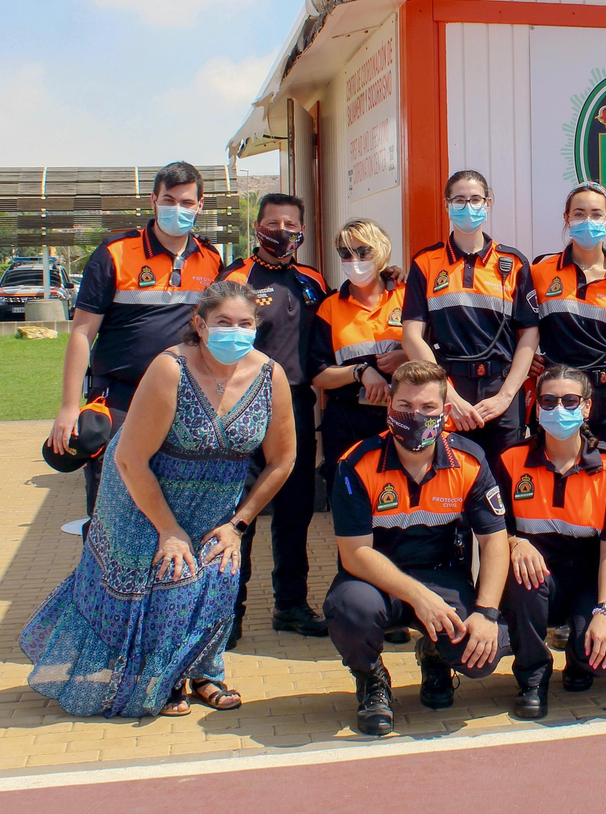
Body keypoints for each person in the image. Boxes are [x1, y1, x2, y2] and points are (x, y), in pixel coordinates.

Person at [21, 281, 296, 716]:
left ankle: (206, 672)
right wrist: (168, 530)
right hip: (142, 491)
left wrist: (238, 524)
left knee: (217, 581)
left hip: (216, 503)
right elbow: (131, 458)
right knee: (159, 582)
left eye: (245, 324)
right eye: (223, 322)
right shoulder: (171, 369)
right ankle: (159, 676)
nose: (235, 332)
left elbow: (282, 461)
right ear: (199, 325)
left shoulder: (270, 376)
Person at [323, 361, 511, 737]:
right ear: (388, 405)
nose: (415, 415)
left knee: (483, 655)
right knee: (349, 611)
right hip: (373, 581)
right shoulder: (355, 464)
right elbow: (354, 554)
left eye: (427, 408)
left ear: (444, 412)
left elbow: (494, 541)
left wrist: (487, 613)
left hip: (442, 574)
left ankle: (436, 655)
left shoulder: (469, 460)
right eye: (405, 406)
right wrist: (419, 597)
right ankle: (371, 679)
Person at [50, 162, 226, 513]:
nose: (178, 208)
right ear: (153, 200)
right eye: (169, 199)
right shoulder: (114, 254)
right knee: (110, 504)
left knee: (174, 501)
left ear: (200, 205)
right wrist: (69, 407)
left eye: (187, 202)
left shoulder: (211, 259)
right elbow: (83, 332)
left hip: (184, 398)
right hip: (119, 397)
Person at [219, 193, 331, 646]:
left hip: (297, 407)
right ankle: (228, 611)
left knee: (295, 509)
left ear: (301, 231)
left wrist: (389, 276)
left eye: (290, 224)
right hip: (244, 405)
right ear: (257, 226)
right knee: (240, 511)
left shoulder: (312, 280)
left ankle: (290, 604)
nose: (281, 231)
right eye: (272, 223)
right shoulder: (236, 278)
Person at [496, 365, 606, 719]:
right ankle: (532, 679)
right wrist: (515, 542)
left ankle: (579, 656)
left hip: (591, 585)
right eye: (549, 400)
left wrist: (605, 612)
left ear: (587, 407)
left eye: (570, 400)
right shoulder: (511, 461)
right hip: (539, 584)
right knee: (518, 576)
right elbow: (492, 530)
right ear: (537, 406)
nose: (559, 408)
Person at [402, 170, 539, 467]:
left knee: (505, 480)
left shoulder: (513, 263)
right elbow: (412, 336)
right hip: (449, 384)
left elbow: (529, 335)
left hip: (501, 388)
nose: (468, 207)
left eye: (475, 199)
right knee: (451, 480)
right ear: (446, 205)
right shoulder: (425, 263)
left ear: (488, 203)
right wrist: (448, 393)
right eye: (459, 200)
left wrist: (505, 397)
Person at [529, 182, 606, 459]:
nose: (588, 221)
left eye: (596, 214)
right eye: (579, 213)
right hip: (556, 400)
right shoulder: (539, 271)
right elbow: (519, 327)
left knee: (605, 483)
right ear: (567, 218)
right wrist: (522, 358)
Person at [310, 219, 407, 489]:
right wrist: (360, 372)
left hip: (402, 418)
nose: (354, 259)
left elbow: (435, 353)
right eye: (345, 252)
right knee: (350, 506)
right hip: (347, 422)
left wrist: (407, 358)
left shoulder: (406, 294)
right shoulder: (329, 307)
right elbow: (318, 374)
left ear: (381, 251)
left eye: (363, 251)